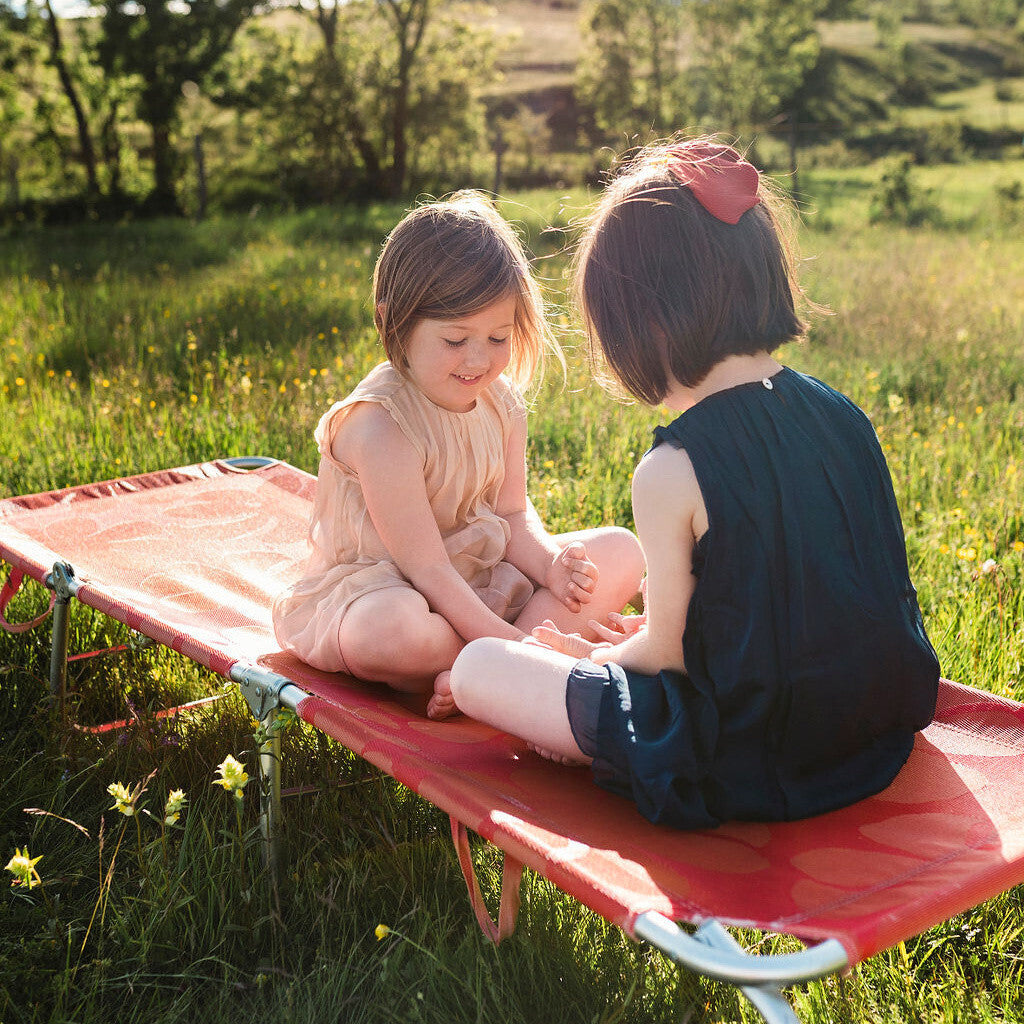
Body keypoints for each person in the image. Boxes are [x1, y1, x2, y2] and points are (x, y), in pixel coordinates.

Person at [442, 139, 940, 829]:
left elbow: (668, 657)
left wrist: (600, 655)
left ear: (643, 322)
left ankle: (595, 744)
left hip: (745, 751)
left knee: (479, 671)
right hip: (873, 723)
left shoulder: (673, 468)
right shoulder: (844, 415)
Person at [272, 191, 645, 719]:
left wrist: (550, 564)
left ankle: (479, 675)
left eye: (497, 337)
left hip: (478, 580)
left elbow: (512, 515)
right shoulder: (381, 426)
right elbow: (426, 568)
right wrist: (509, 647)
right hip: (392, 589)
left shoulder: (501, 403)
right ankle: (504, 667)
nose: (477, 359)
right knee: (389, 632)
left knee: (621, 551)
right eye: (454, 339)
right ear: (393, 322)